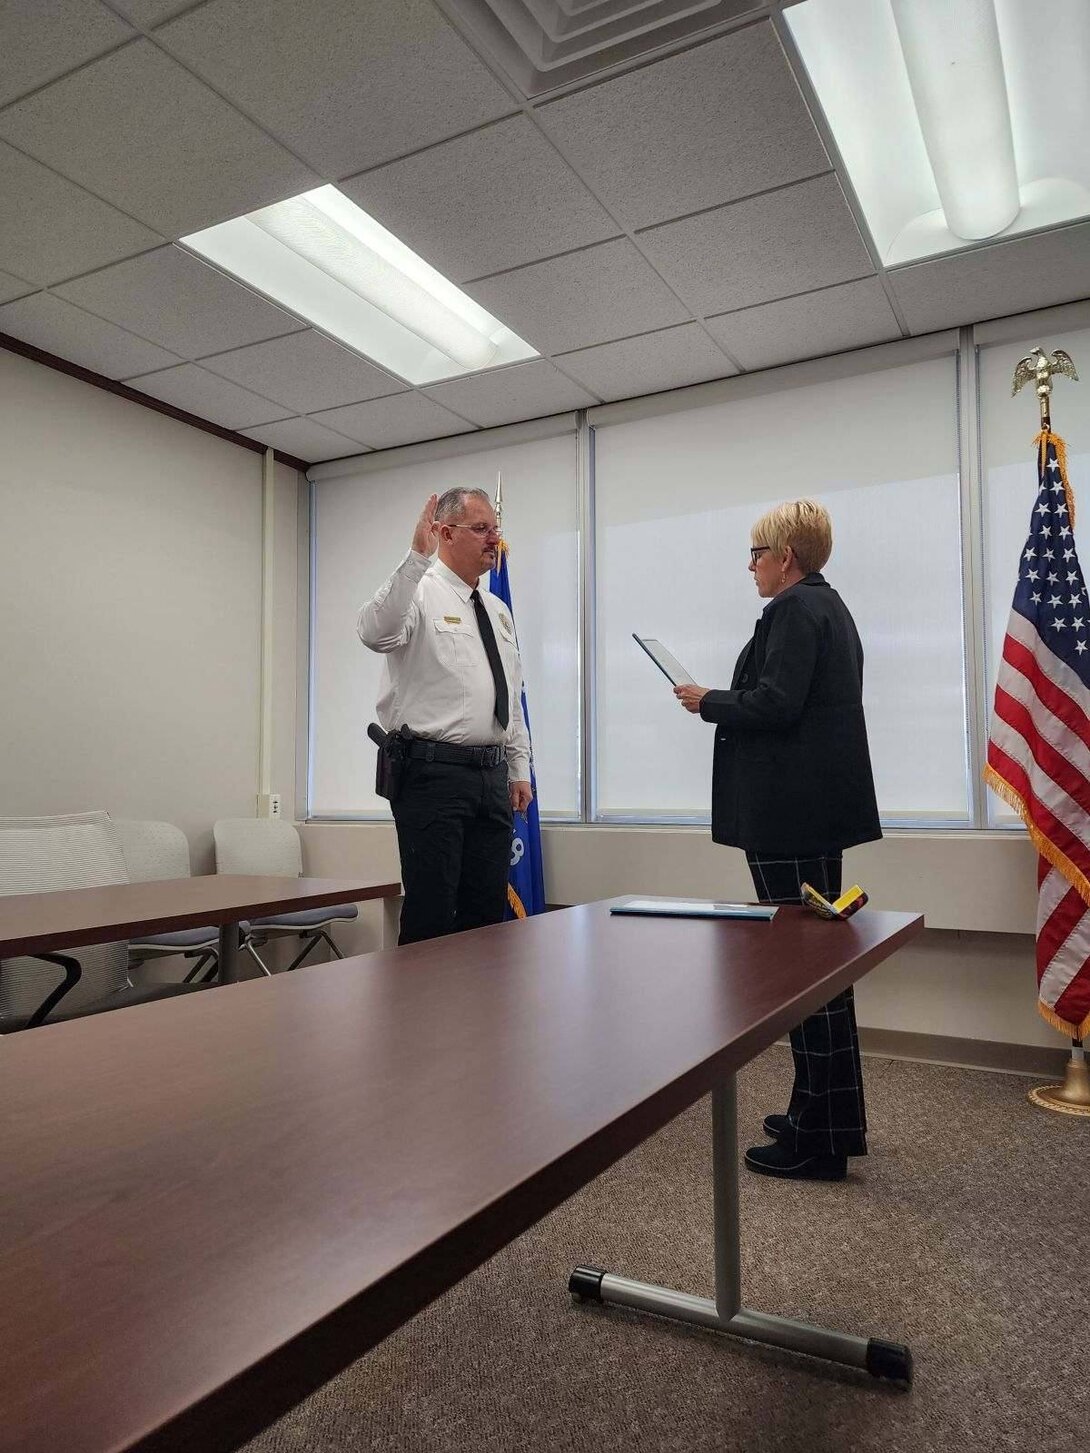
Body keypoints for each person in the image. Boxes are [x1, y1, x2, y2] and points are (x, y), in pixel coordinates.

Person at [674, 499, 881, 1182]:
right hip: (813, 814)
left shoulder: (794, 610)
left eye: (756, 554)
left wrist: (707, 699)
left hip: (792, 817)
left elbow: (775, 703)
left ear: (786, 556)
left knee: (806, 978)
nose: (752, 567)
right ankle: (824, 1115)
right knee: (822, 974)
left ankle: (818, 1138)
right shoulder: (830, 607)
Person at [357, 488, 533, 946]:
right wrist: (415, 557)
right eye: (482, 529)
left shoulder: (497, 611)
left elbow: (508, 696)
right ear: (445, 533)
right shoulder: (420, 592)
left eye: (496, 529)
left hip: (490, 777)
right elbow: (374, 633)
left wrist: (518, 768)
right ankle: (418, 1018)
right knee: (432, 911)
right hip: (432, 775)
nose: (495, 539)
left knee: (484, 913)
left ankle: (477, 1018)